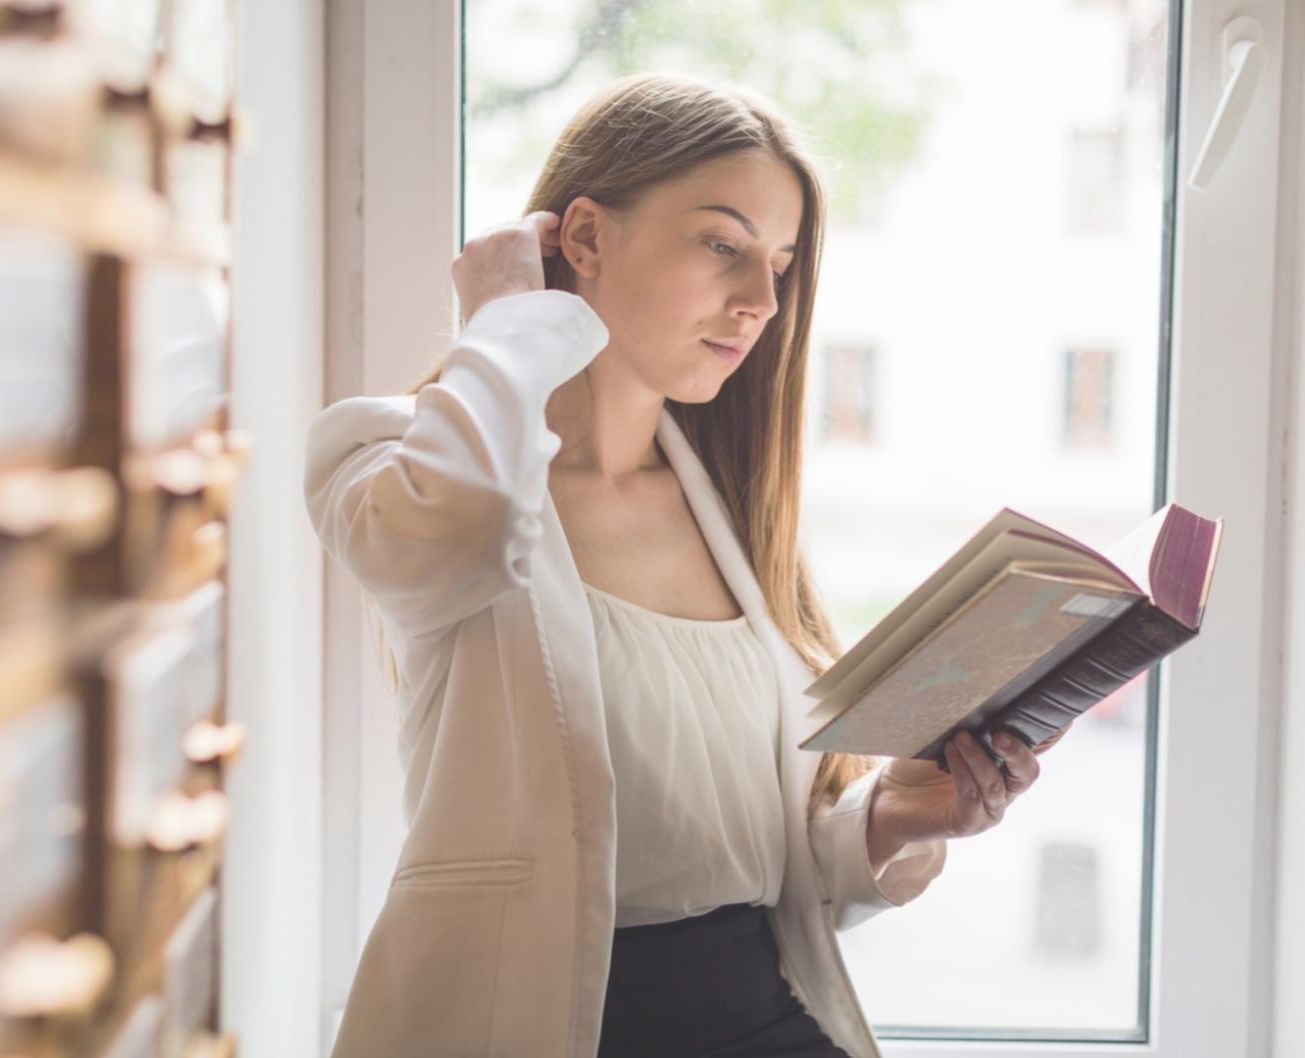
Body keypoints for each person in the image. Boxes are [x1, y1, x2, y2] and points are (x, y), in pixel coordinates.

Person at [304, 71, 1070, 1058]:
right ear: (582, 238)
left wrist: (888, 813)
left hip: (766, 1020)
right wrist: (500, 324)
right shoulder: (388, 457)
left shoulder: (732, 515)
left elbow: (749, 877)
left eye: (780, 264)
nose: (759, 302)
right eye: (721, 245)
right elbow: (467, 522)